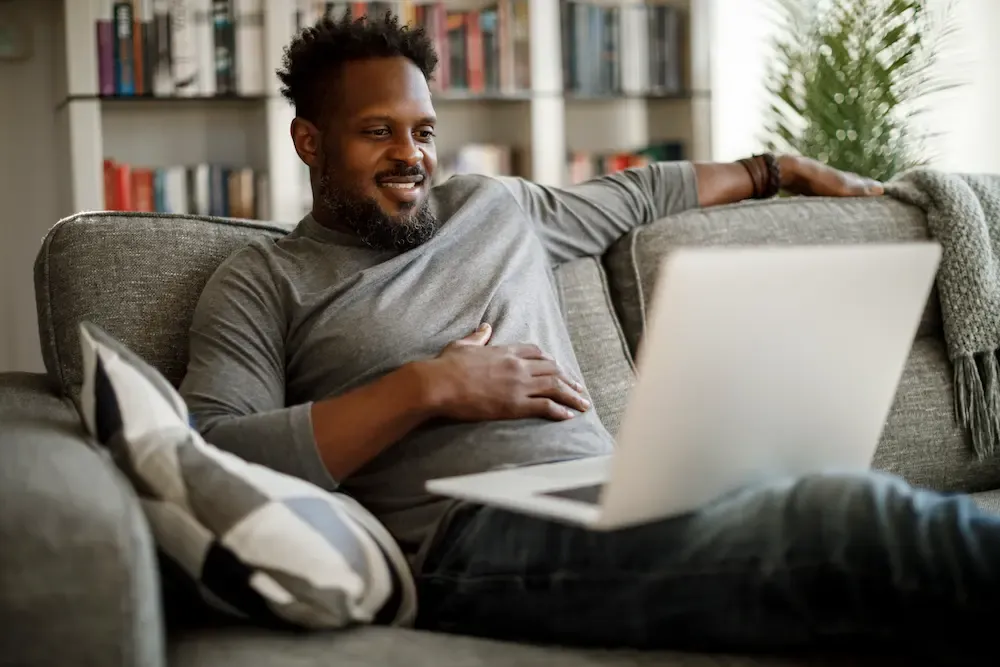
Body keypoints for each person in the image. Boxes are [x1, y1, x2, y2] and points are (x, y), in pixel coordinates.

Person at [178, 10, 998, 662]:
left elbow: (641, 194)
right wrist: (430, 387)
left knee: (834, 513)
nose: (411, 156)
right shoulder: (265, 279)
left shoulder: (492, 208)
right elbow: (209, 451)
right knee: (850, 521)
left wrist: (781, 169)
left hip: (620, 484)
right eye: (377, 132)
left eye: (423, 131)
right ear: (310, 141)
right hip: (472, 545)